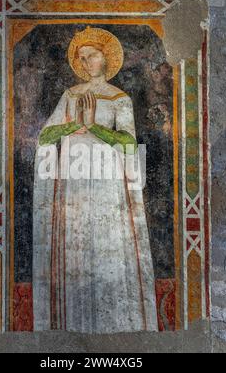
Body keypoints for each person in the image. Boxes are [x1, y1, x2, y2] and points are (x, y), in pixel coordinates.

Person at [33, 26, 158, 333]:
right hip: (74, 185)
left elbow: (129, 142)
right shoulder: (70, 95)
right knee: (75, 250)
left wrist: (93, 127)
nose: (86, 60)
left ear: (106, 59)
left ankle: (116, 329)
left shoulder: (119, 99)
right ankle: (73, 330)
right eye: (82, 56)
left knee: (107, 249)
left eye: (92, 55)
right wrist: (71, 125)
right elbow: (45, 136)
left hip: (106, 184)